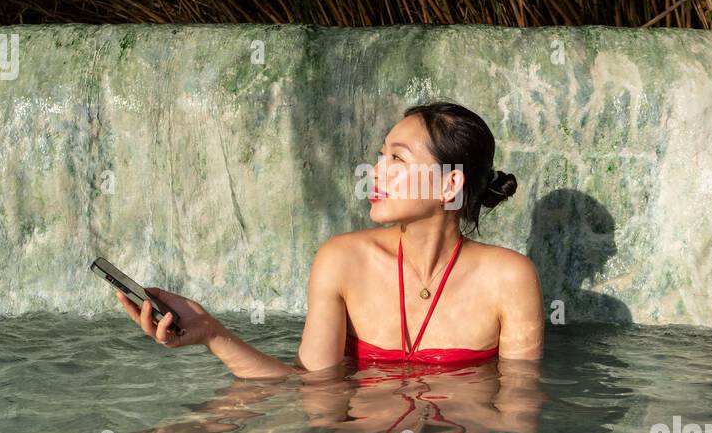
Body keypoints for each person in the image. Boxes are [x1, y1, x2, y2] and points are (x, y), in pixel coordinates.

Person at [116, 101, 544, 377]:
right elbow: (308, 387)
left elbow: (519, 412)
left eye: (396, 158)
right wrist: (211, 332)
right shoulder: (341, 260)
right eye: (380, 156)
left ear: (449, 186)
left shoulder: (508, 278)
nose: (375, 171)